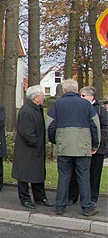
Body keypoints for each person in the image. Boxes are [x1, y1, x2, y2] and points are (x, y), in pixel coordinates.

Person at [47, 79, 100, 216]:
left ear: (64, 90)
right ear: (77, 90)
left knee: (64, 176)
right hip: (83, 146)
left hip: (64, 146)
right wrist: (95, 145)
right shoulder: (87, 105)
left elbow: (50, 126)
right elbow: (95, 126)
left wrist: (56, 141)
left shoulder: (57, 104)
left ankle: (60, 206)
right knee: (83, 177)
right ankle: (87, 207)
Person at [11, 85, 53, 209]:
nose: (44, 97)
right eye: (42, 95)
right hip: (27, 149)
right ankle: (25, 198)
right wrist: (35, 142)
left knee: (37, 174)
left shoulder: (37, 108)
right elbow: (25, 132)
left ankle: (40, 197)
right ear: (35, 97)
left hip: (36, 149)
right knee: (24, 175)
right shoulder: (26, 111)